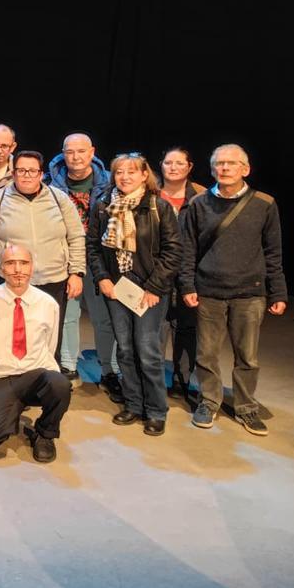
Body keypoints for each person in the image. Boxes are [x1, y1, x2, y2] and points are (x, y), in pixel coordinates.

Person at [179, 144, 287, 436]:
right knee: (207, 354)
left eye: (231, 163)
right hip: (208, 291)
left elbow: (273, 252)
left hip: (249, 293)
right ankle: (209, 401)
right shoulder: (199, 203)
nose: (224, 168)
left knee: (247, 356)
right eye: (218, 164)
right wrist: (187, 284)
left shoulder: (264, 204)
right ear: (212, 169)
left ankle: (246, 407)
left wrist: (278, 292)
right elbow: (188, 248)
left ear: (245, 169)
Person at [87, 153, 182, 436]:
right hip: (117, 289)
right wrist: (103, 278)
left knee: (148, 351)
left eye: (131, 172)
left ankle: (155, 410)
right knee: (125, 349)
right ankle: (134, 404)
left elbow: (173, 251)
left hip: (149, 290)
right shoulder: (104, 206)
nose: (125, 177)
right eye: (119, 172)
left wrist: (155, 288)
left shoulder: (158, 206)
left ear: (144, 175)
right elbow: (93, 245)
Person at [0, 151, 89, 376]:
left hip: (53, 280)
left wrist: (76, 272)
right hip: (10, 281)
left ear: (41, 174)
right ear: (13, 173)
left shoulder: (59, 199)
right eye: (21, 170)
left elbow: (76, 236)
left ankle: (47, 382)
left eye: (32, 171)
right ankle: (11, 384)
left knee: (48, 337)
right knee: (11, 336)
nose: (26, 175)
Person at [0, 244, 71, 463]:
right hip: (1, 377)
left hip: (35, 373)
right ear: (1, 268)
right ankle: (5, 411)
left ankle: (45, 433)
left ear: (32, 267)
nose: (18, 269)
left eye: (24, 263)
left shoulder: (48, 304)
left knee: (60, 384)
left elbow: (50, 344)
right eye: (10, 263)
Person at [48, 132, 120, 397]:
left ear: (92, 152)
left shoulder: (110, 183)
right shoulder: (50, 184)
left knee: (104, 317)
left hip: (100, 259)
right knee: (69, 315)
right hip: (66, 259)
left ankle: (109, 370)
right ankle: (68, 366)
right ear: (63, 153)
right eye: (69, 151)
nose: (75, 157)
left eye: (81, 151)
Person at [157, 147, 207, 401]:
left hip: (189, 274)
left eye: (179, 163)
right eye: (168, 163)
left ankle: (182, 381)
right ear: (161, 166)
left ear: (189, 166)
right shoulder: (150, 193)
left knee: (186, 329)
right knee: (156, 329)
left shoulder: (202, 197)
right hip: (157, 274)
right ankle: (152, 382)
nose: (173, 167)